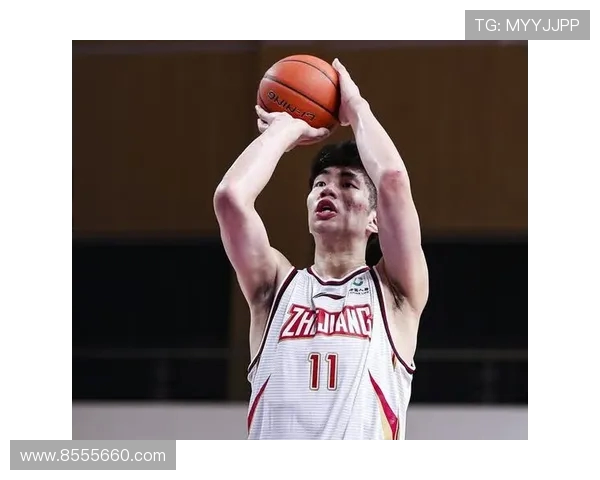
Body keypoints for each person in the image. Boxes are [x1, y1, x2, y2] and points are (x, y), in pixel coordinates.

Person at [213, 58, 429, 440]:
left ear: (375, 219)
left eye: (347, 183)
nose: (328, 189)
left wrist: (356, 107)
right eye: (320, 184)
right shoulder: (274, 288)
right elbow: (231, 198)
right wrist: (285, 129)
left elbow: (393, 180)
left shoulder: (395, 292)